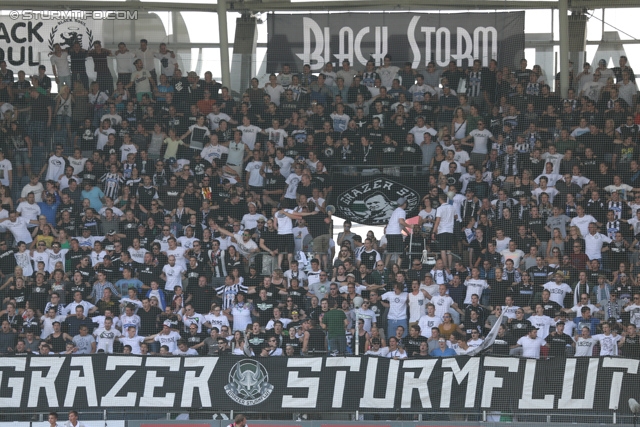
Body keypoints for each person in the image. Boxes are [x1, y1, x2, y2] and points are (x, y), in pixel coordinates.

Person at [385, 197, 410, 267]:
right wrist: (410, 226)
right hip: (395, 234)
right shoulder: (402, 211)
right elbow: (401, 222)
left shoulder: (395, 211)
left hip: (389, 233)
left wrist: (408, 232)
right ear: (404, 204)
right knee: (401, 252)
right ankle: (397, 268)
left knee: (389, 252)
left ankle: (385, 267)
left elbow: (400, 225)